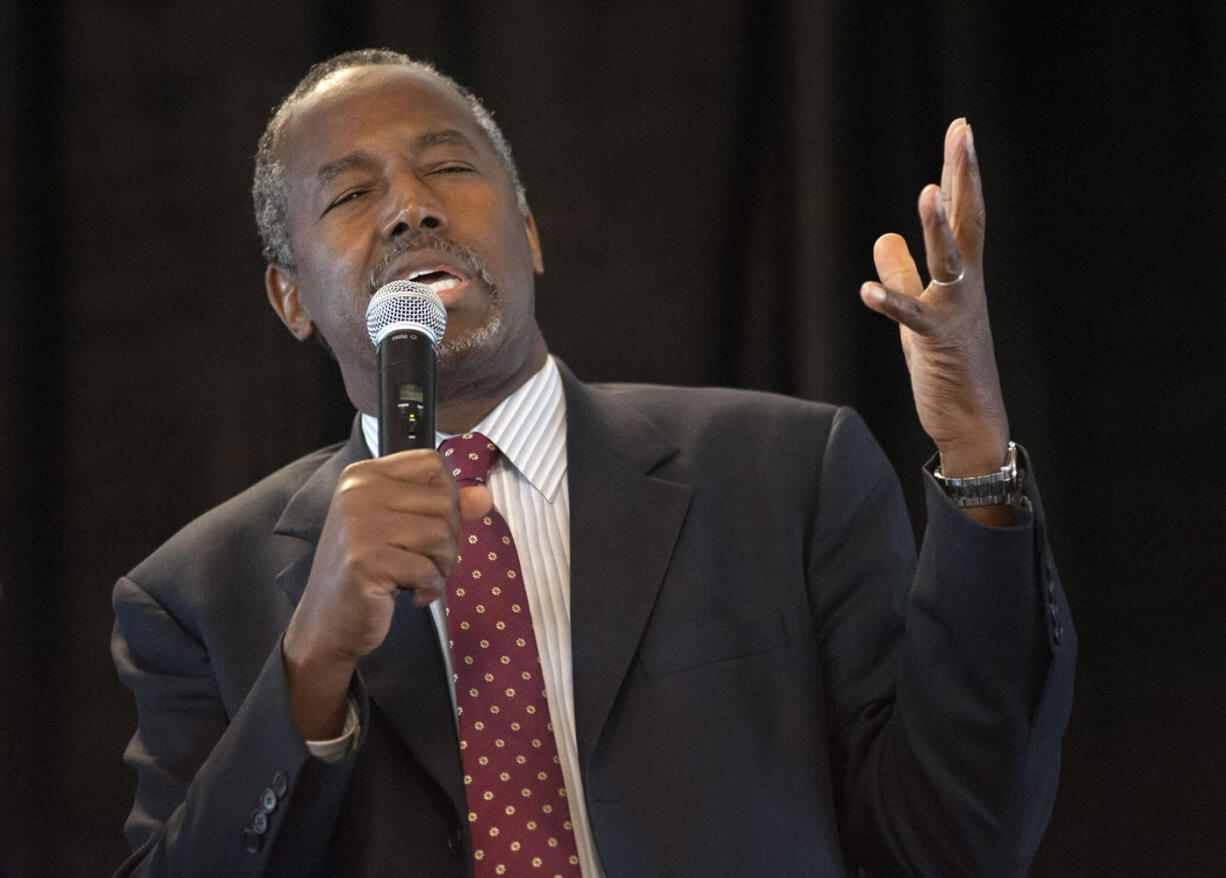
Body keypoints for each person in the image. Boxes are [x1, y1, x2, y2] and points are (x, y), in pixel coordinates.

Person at [112, 48, 1075, 877]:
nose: (411, 208)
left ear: (528, 236)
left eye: (448, 167)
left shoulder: (783, 474)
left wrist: (977, 450)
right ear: (289, 299)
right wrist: (312, 665)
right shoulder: (197, 597)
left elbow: (957, 839)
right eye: (355, 194)